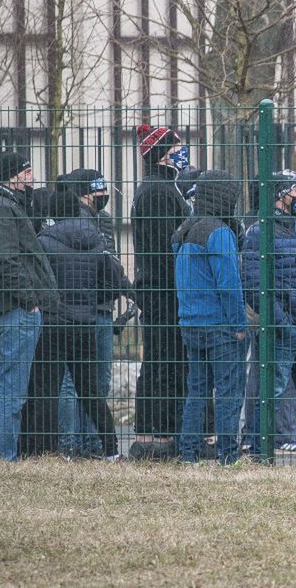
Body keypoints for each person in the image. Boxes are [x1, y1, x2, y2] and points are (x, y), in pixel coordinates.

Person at [25, 190, 125, 460]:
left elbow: (36, 280)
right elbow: (112, 279)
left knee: (49, 389)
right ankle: (110, 449)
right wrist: (95, 301)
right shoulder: (96, 239)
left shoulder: (45, 240)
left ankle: (48, 449)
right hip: (87, 324)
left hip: (54, 323)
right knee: (91, 392)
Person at [240, 170, 296, 464]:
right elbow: (253, 285)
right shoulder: (259, 233)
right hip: (284, 327)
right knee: (271, 392)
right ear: (279, 196)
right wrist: (282, 321)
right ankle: (258, 452)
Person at [0, 152, 58, 460]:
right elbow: (5, 259)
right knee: (13, 387)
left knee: (15, 386)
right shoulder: (1, 207)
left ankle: (7, 452)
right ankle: (5, 455)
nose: (31, 176)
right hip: (17, 309)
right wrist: (30, 300)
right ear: (12, 176)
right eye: (26, 171)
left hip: (18, 308)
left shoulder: (6, 205)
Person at [174, 170, 247, 464]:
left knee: (197, 391)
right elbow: (229, 284)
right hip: (220, 325)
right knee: (229, 392)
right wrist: (239, 325)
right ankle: (228, 455)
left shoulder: (184, 231)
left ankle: (188, 453)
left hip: (190, 322)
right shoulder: (219, 233)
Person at [130, 124, 191, 459]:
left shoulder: (165, 188)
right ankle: (158, 436)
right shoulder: (157, 192)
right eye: (176, 149)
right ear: (162, 154)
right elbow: (162, 249)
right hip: (163, 293)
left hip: (164, 291)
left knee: (166, 361)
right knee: (162, 362)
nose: (182, 154)